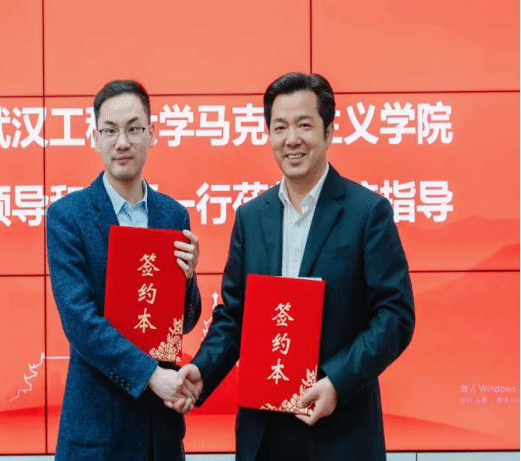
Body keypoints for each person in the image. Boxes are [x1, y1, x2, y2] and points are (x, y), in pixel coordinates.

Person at [174, 72, 416, 460]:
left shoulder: (367, 212)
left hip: (340, 433)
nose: (292, 139)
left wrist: (337, 381)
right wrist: (203, 370)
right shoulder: (252, 218)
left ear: (329, 131)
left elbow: (395, 316)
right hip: (263, 437)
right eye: (280, 127)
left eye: (304, 125)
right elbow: (234, 316)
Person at [46, 79, 202, 461]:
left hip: (160, 432)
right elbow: (80, 323)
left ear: (152, 134)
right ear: (95, 138)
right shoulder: (68, 217)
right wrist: (152, 376)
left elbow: (184, 322)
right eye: (110, 131)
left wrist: (188, 279)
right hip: (99, 431)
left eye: (134, 129)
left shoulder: (173, 214)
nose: (122, 142)